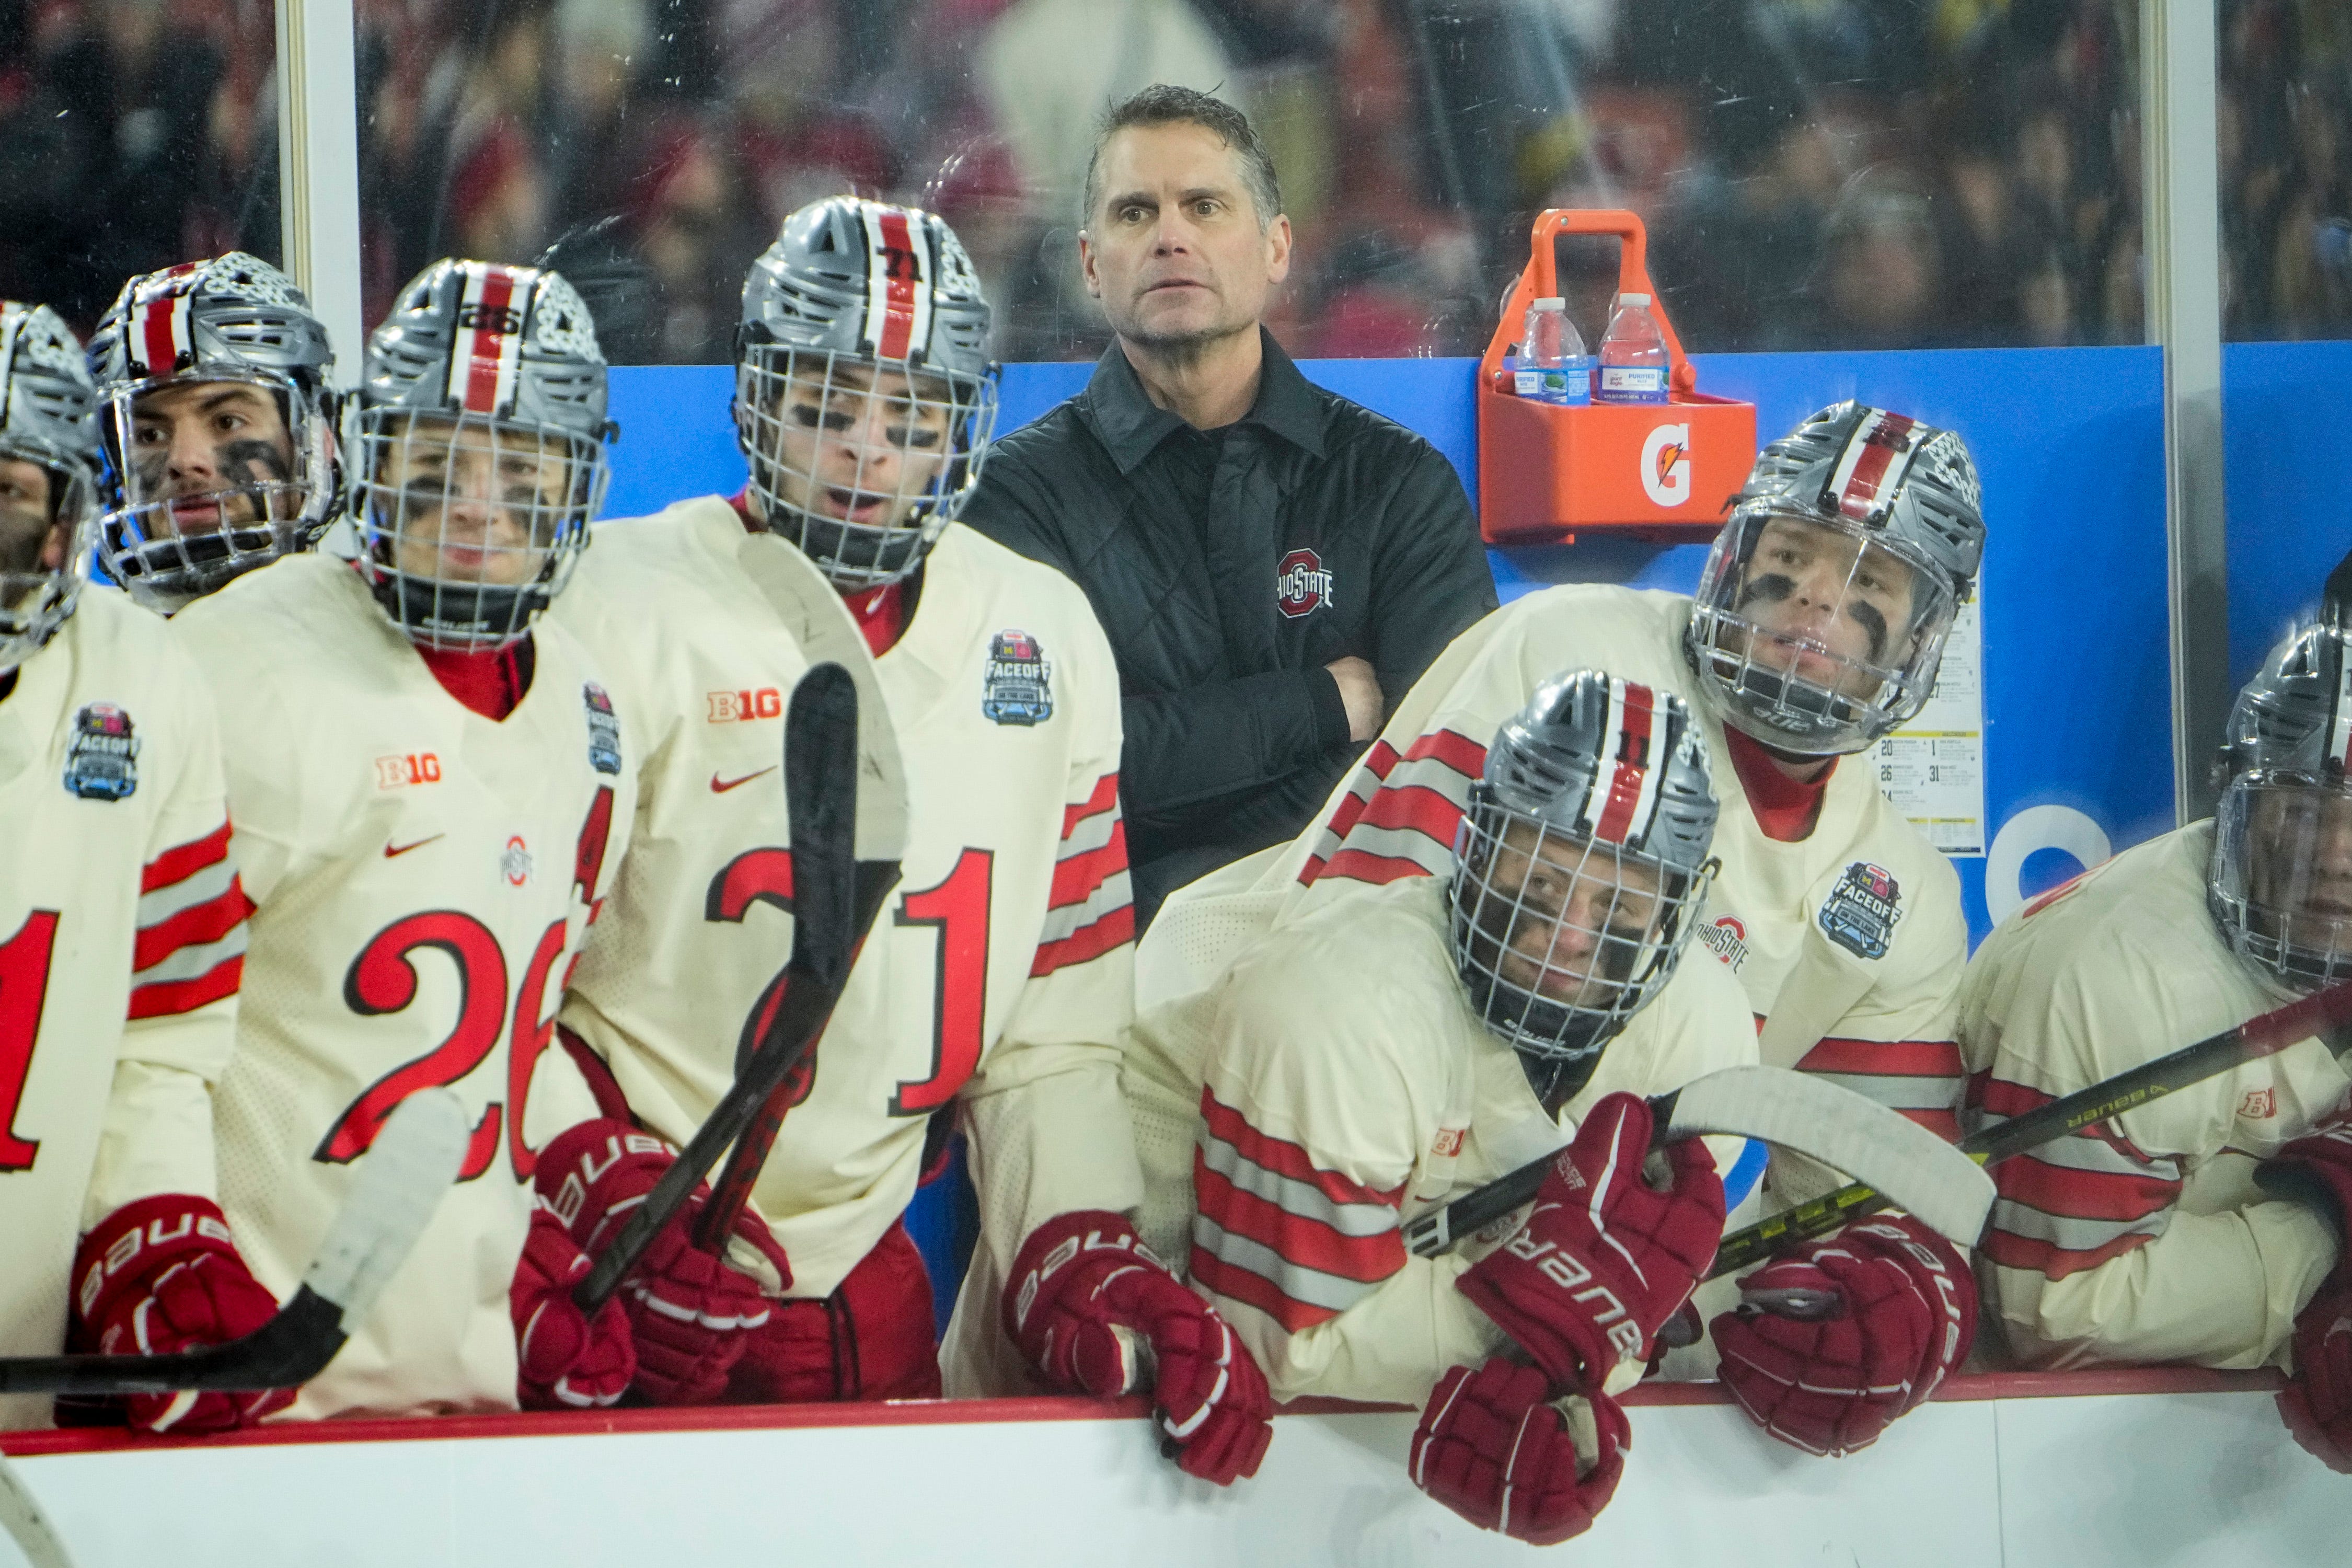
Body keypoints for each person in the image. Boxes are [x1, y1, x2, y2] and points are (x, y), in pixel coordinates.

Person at [552, 197, 1270, 1481]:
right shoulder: (607, 606)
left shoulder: (1043, 635)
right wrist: (589, 1190)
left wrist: (1075, 1243)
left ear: (964, 425)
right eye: (828, 405)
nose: (868, 450)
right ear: (758, 398)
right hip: (617, 1253)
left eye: (912, 414)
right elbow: (510, 978)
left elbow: (1052, 1023)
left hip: (865, 1282)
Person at [1184, 401, 1988, 1458]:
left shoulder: (1903, 897)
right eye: (1792, 556)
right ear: (1733, 556)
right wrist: (1577, 1293)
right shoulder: (1570, 662)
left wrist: (1865, 1299)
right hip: (1293, 1191)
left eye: (1871, 583)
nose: (1819, 599)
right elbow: (1398, 991)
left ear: (1924, 639)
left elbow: (1868, 1198)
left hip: (1513, 1307)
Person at [169, 259, 737, 1419]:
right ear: (371, 458)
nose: (479, 505)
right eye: (439, 466)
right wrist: (156, 1255)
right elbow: (137, 1048)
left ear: (580, 485)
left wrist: (582, 1177)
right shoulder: (234, 668)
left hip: (469, 1393)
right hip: (253, 1387)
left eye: (521, 471)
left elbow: (499, 1030)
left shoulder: (587, 703)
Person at [1117, 671, 1754, 1543]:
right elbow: (1290, 1342)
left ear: (1676, 912)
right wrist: (1569, 1332)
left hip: (1386, 1436)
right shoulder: (1337, 1008)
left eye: (1620, 901)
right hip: (1150, 1344)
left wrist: (1573, 1335)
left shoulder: (1706, 1029)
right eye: (1543, 876)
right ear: (1478, 844)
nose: (1570, 934)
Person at [963, 84, 1496, 926]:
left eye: (1205, 206)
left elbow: (1444, 775)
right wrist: (1319, 706)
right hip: (1109, 961)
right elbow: (1031, 775)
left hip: (1351, 948)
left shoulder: (1397, 484)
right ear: (1091, 264)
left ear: (1277, 247)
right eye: (1136, 212)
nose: (1171, 236)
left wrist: (1172, 781)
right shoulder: (1011, 500)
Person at [1956, 609, 2352, 1472]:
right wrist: (2324, 1236)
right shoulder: (2110, 978)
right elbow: (2059, 1315)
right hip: (2048, 1470)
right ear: (2238, 801)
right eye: (2303, 812)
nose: (2335, 856)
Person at [0, 299, 283, 1435]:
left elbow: (163, 1032)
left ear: (66, 517)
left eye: (7, 491)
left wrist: (154, 1241)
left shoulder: (142, 673)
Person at [84, 253, 340, 614]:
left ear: (315, 441)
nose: (185, 461)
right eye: (150, 435)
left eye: (227, 422)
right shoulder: (82, 644)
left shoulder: (379, 636)